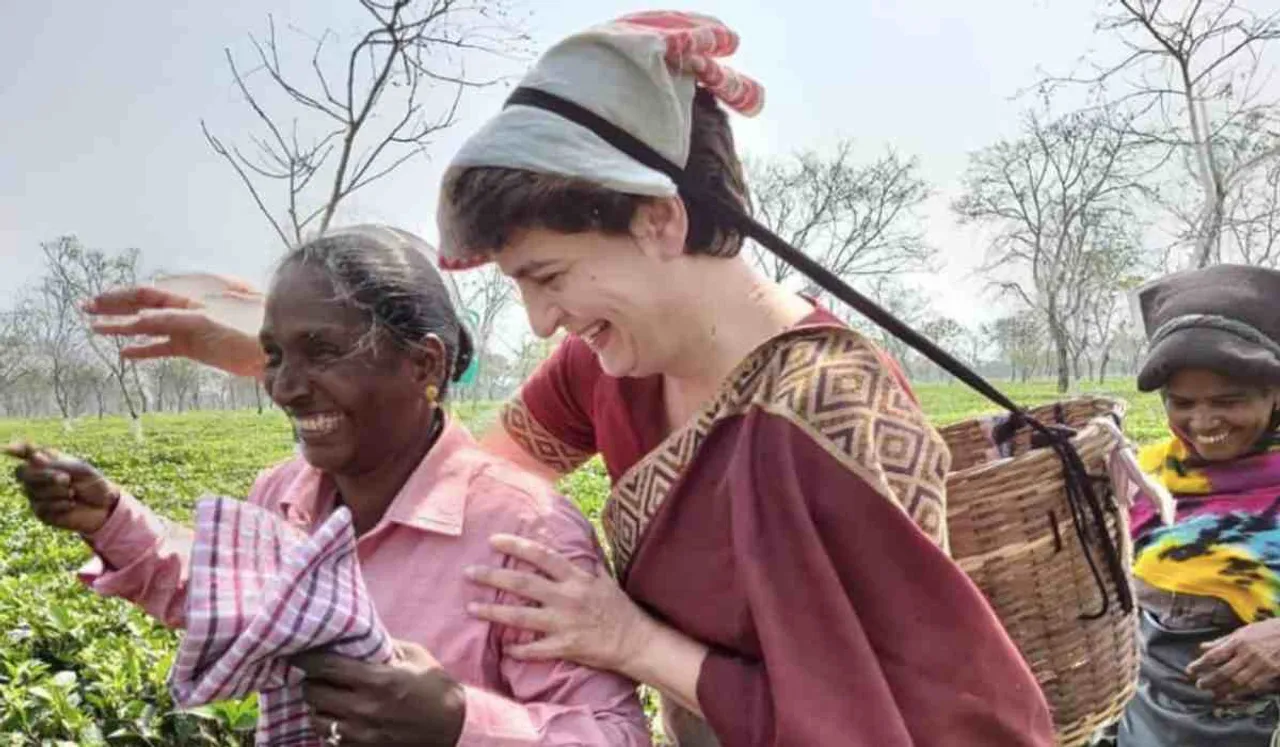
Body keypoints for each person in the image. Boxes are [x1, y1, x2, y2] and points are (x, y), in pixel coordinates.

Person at [82, 12, 1056, 746]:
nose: (543, 320)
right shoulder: (603, 365)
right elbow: (452, 480)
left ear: (658, 221)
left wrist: (631, 646)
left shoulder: (835, 412)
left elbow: (893, 712)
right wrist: (293, 355)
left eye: (546, 277)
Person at [12, 225, 649, 746]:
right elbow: (229, 600)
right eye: (276, 355)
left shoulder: (523, 530)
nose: (286, 386)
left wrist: (460, 724)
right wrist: (110, 518)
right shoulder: (283, 491)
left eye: (322, 352)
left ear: (422, 363)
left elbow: (616, 734)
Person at [1117, 264, 1280, 746]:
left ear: (1275, 394)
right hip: (1151, 726)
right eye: (1181, 403)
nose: (1204, 422)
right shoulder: (1142, 478)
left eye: (1228, 401)